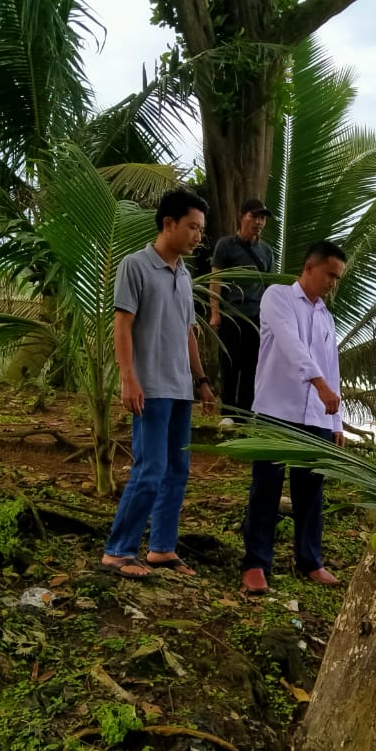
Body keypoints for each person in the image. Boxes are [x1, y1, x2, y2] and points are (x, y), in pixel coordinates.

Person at [100, 188, 217, 580]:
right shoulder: (135, 266)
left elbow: (188, 333)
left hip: (181, 387)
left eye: (201, 229)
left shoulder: (184, 275)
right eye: (193, 227)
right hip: (149, 387)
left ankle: (162, 549)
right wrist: (128, 377)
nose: (198, 236)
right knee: (149, 469)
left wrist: (201, 380)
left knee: (177, 470)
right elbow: (122, 325)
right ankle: (118, 551)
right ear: (169, 224)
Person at [240, 241, 348, 595]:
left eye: (337, 278)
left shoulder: (326, 317)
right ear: (309, 267)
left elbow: (333, 368)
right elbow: (290, 345)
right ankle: (256, 564)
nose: (333, 283)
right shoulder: (278, 297)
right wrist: (318, 384)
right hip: (276, 410)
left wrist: (336, 421)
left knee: (310, 493)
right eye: (330, 274)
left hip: (317, 415)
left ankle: (310, 560)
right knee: (266, 490)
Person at [209, 198, 275, 422]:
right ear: (242, 216)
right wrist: (215, 312)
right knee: (229, 365)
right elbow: (215, 279)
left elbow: (269, 288)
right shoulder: (226, 245)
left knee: (252, 368)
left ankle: (245, 414)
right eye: (254, 216)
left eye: (262, 218)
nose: (258, 222)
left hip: (256, 318)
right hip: (231, 315)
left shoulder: (266, 251)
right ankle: (228, 413)